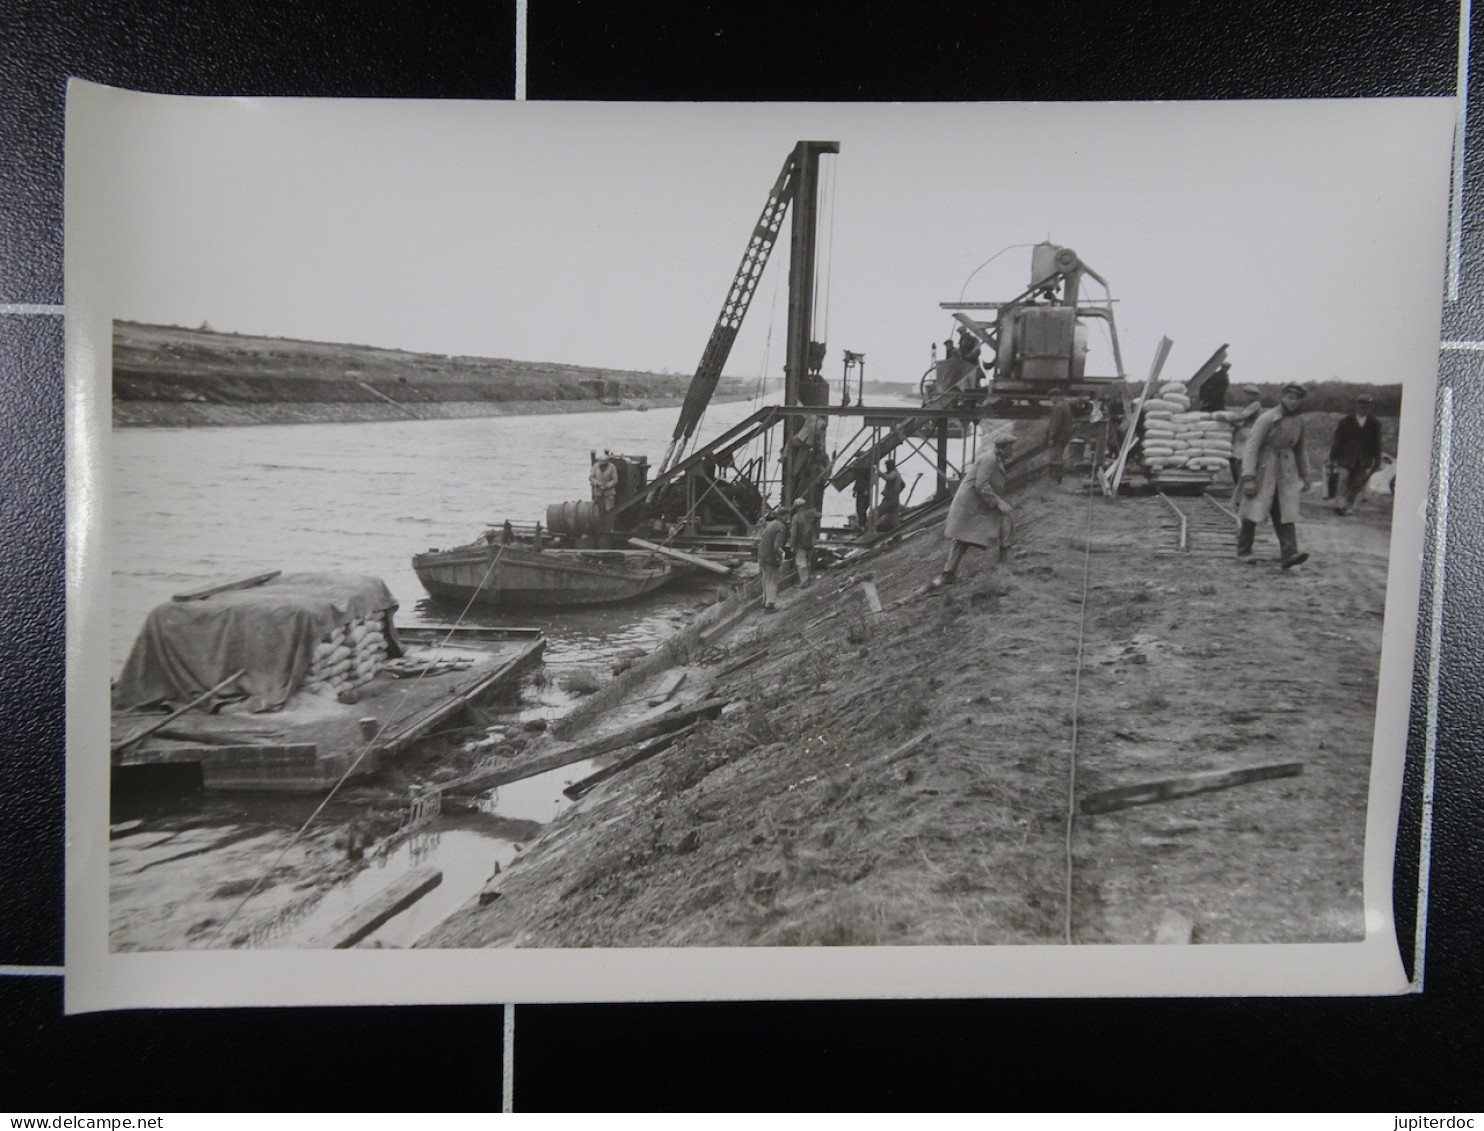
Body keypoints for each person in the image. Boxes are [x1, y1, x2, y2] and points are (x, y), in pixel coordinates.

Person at [1237, 383, 1312, 569]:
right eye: (1289, 398)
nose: (1292, 402)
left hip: (1286, 471)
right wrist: (1248, 476)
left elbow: (1300, 449)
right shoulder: (1267, 418)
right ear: (1282, 398)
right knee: (1252, 508)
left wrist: (1305, 474)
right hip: (1264, 468)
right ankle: (1244, 551)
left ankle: (1289, 553)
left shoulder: (1299, 421)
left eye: (1296, 399)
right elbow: (1251, 447)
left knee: (1284, 510)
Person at [937, 429, 1016, 584]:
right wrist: (998, 502)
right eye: (1010, 447)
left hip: (978, 502)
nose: (1012, 451)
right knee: (963, 537)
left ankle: (949, 573)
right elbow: (981, 484)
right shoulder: (990, 459)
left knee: (967, 536)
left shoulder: (995, 458)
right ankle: (1002, 564)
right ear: (1004, 448)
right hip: (971, 504)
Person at [1328, 393, 1383, 515]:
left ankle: (1349, 506)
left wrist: (1378, 461)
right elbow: (1337, 440)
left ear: (1370, 407)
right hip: (1346, 458)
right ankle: (1340, 505)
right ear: (1356, 406)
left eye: (1366, 406)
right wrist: (1333, 457)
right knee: (1343, 480)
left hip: (1364, 460)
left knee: (1357, 484)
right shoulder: (1345, 422)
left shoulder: (1374, 424)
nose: (1363, 408)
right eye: (1361, 405)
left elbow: (1377, 444)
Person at [1229, 384, 1264, 489]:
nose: (1244, 397)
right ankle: (1239, 484)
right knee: (1234, 458)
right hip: (1242, 432)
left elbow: (1243, 416)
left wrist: (1227, 417)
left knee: (1240, 459)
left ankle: (1242, 484)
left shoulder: (1255, 405)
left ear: (1253, 395)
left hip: (1248, 433)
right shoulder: (1249, 405)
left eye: (1246, 394)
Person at [758, 508, 786, 611]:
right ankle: (769, 605)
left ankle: (764, 601)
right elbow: (777, 547)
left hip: (762, 556)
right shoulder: (781, 527)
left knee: (766, 579)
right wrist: (779, 559)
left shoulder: (772, 524)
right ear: (785, 516)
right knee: (772, 580)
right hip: (770, 558)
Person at [789, 496, 819, 588]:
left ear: (796, 507)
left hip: (801, 542)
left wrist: (792, 545)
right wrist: (814, 521)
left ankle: (804, 581)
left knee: (801, 561)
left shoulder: (796, 517)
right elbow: (819, 515)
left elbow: (794, 533)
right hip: (811, 541)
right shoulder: (809, 514)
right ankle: (809, 578)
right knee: (808, 560)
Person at [1046, 391, 1074, 484]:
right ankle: (1057, 479)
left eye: (1051, 397)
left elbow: (1055, 424)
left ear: (1056, 396)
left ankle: (1055, 480)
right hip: (1065, 436)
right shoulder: (1066, 405)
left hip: (1058, 437)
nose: (1051, 400)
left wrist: (1051, 437)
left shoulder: (1058, 407)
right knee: (1059, 456)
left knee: (1055, 458)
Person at [878, 459, 906, 531]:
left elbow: (888, 478)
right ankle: (897, 535)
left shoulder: (894, 473)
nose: (886, 468)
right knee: (894, 518)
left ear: (889, 466)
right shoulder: (897, 474)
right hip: (895, 498)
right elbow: (903, 485)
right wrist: (897, 492)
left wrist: (879, 472)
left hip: (889, 499)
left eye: (887, 466)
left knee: (877, 513)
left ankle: (868, 530)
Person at [851, 462, 872, 531]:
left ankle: (863, 526)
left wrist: (866, 490)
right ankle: (863, 526)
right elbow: (858, 481)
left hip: (864, 491)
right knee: (860, 509)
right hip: (861, 491)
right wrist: (855, 490)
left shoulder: (866, 470)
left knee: (861, 509)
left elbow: (867, 481)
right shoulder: (862, 470)